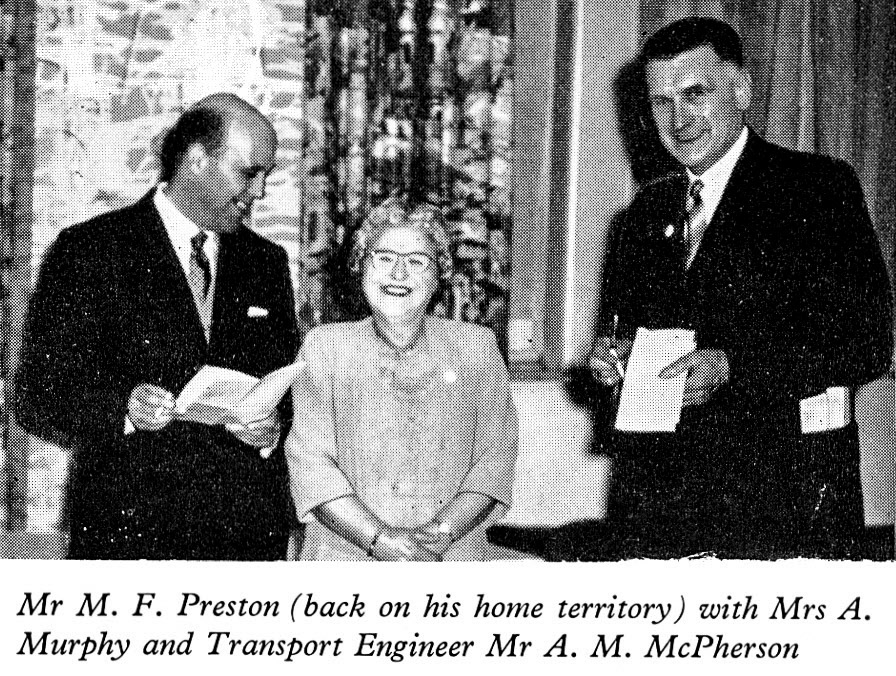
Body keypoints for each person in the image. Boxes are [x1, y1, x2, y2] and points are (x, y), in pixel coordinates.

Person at [589, 18, 893, 559]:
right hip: (660, 502)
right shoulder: (641, 217)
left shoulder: (815, 188)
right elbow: (625, 337)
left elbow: (866, 342)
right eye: (661, 102)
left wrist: (732, 364)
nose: (678, 119)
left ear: (742, 90)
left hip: (786, 499)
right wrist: (613, 361)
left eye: (695, 94)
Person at [15, 93, 299, 560]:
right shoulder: (90, 250)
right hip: (128, 535)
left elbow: (288, 388)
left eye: (266, 175)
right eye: (250, 173)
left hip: (244, 540)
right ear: (196, 160)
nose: (260, 191)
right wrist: (125, 409)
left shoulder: (266, 262)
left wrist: (272, 429)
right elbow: (39, 394)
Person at [285, 197, 518, 560]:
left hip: (448, 558)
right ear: (360, 265)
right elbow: (311, 463)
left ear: (439, 274)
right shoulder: (324, 347)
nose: (398, 274)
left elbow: (494, 459)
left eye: (416, 261)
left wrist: (439, 535)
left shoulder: (477, 347)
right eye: (384, 258)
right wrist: (380, 540)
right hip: (344, 557)